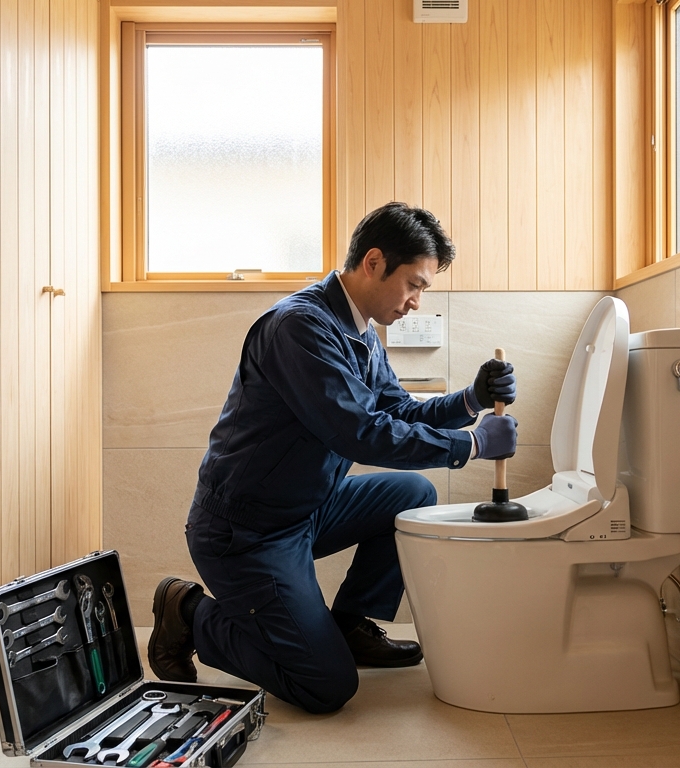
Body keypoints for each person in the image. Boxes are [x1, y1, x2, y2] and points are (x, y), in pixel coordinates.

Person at [148, 202, 518, 714]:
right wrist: (474, 444)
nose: (415, 302)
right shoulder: (299, 327)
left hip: (305, 508)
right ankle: (189, 614)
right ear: (372, 262)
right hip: (247, 531)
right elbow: (361, 433)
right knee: (325, 686)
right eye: (413, 284)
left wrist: (470, 401)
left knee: (412, 494)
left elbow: (397, 409)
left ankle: (351, 624)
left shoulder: (360, 331)